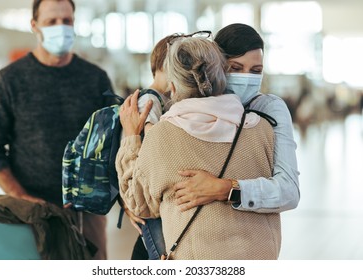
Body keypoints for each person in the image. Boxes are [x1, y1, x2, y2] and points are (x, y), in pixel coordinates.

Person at [116, 36, 280, 259]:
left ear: (173, 86)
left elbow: (140, 205)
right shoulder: (262, 128)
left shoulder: (161, 136)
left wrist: (131, 137)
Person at [0, 0, 116, 259]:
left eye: (67, 21)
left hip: (88, 212)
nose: (60, 27)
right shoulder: (10, 80)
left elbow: (115, 142)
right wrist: (21, 196)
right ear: (34, 26)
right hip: (31, 211)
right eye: (51, 21)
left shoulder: (95, 79)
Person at [173, 23, 300, 215]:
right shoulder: (193, 105)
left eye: (256, 71)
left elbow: (289, 191)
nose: (246, 77)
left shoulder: (268, 109)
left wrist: (225, 189)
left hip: (248, 236)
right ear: (216, 66)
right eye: (236, 68)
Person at [119, 34, 177, 260]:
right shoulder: (149, 101)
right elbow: (154, 148)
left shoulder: (164, 99)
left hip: (151, 194)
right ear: (165, 63)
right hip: (148, 195)